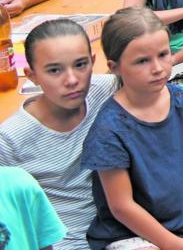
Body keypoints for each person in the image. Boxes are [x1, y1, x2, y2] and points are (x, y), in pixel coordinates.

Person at [80, 7, 183, 250]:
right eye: (142, 61)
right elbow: (121, 206)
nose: (158, 68)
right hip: (129, 235)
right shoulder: (109, 130)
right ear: (114, 66)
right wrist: (172, 244)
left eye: (163, 54)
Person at [0, 19, 119, 250]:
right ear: (31, 75)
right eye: (54, 70)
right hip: (61, 242)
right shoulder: (10, 139)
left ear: (94, 62)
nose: (72, 80)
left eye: (80, 65)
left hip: (119, 228)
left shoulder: (107, 90)